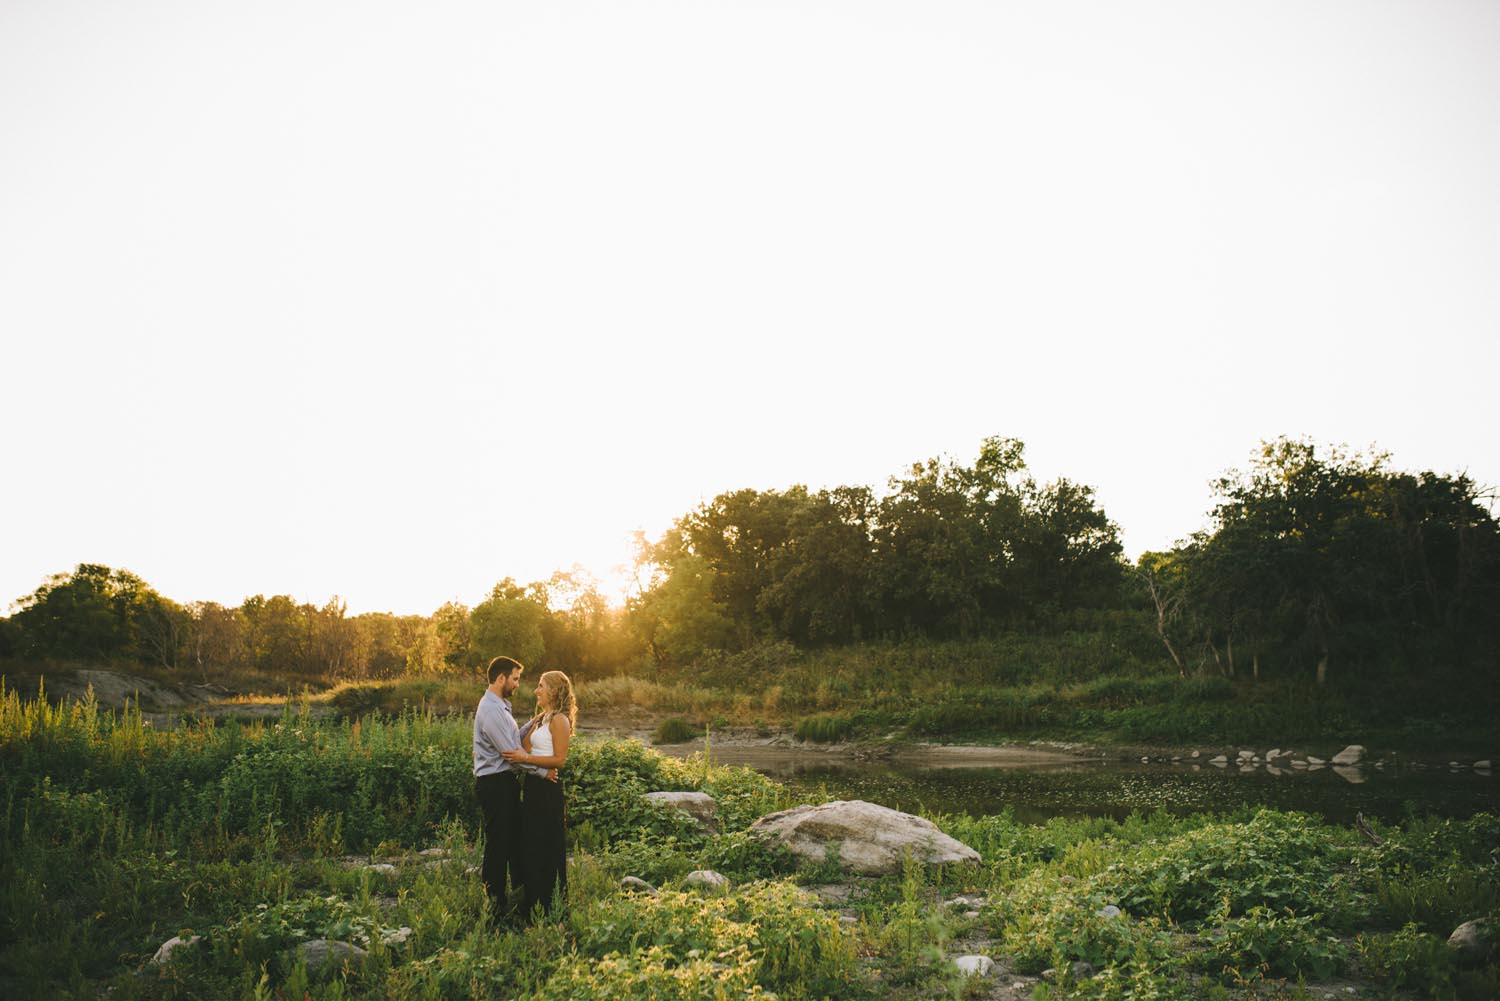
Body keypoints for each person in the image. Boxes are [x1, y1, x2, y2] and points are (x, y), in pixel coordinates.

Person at [503, 669, 576, 919]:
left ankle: (551, 905)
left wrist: (526, 758)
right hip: (532, 788)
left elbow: (560, 759)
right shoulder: (539, 719)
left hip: (549, 791)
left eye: (541, 686)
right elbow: (520, 750)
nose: (536, 690)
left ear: (554, 691)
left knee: (548, 847)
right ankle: (531, 904)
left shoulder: (560, 721)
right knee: (530, 847)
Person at [472, 655, 527, 924]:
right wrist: (544, 770)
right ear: (501, 678)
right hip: (495, 784)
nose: (517, 684)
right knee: (498, 845)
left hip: (502, 782)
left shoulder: (500, 707)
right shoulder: (492, 710)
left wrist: (535, 722)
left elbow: (513, 739)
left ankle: (515, 898)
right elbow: (511, 753)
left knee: (512, 841)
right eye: (515, 678)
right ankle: (495, 904)